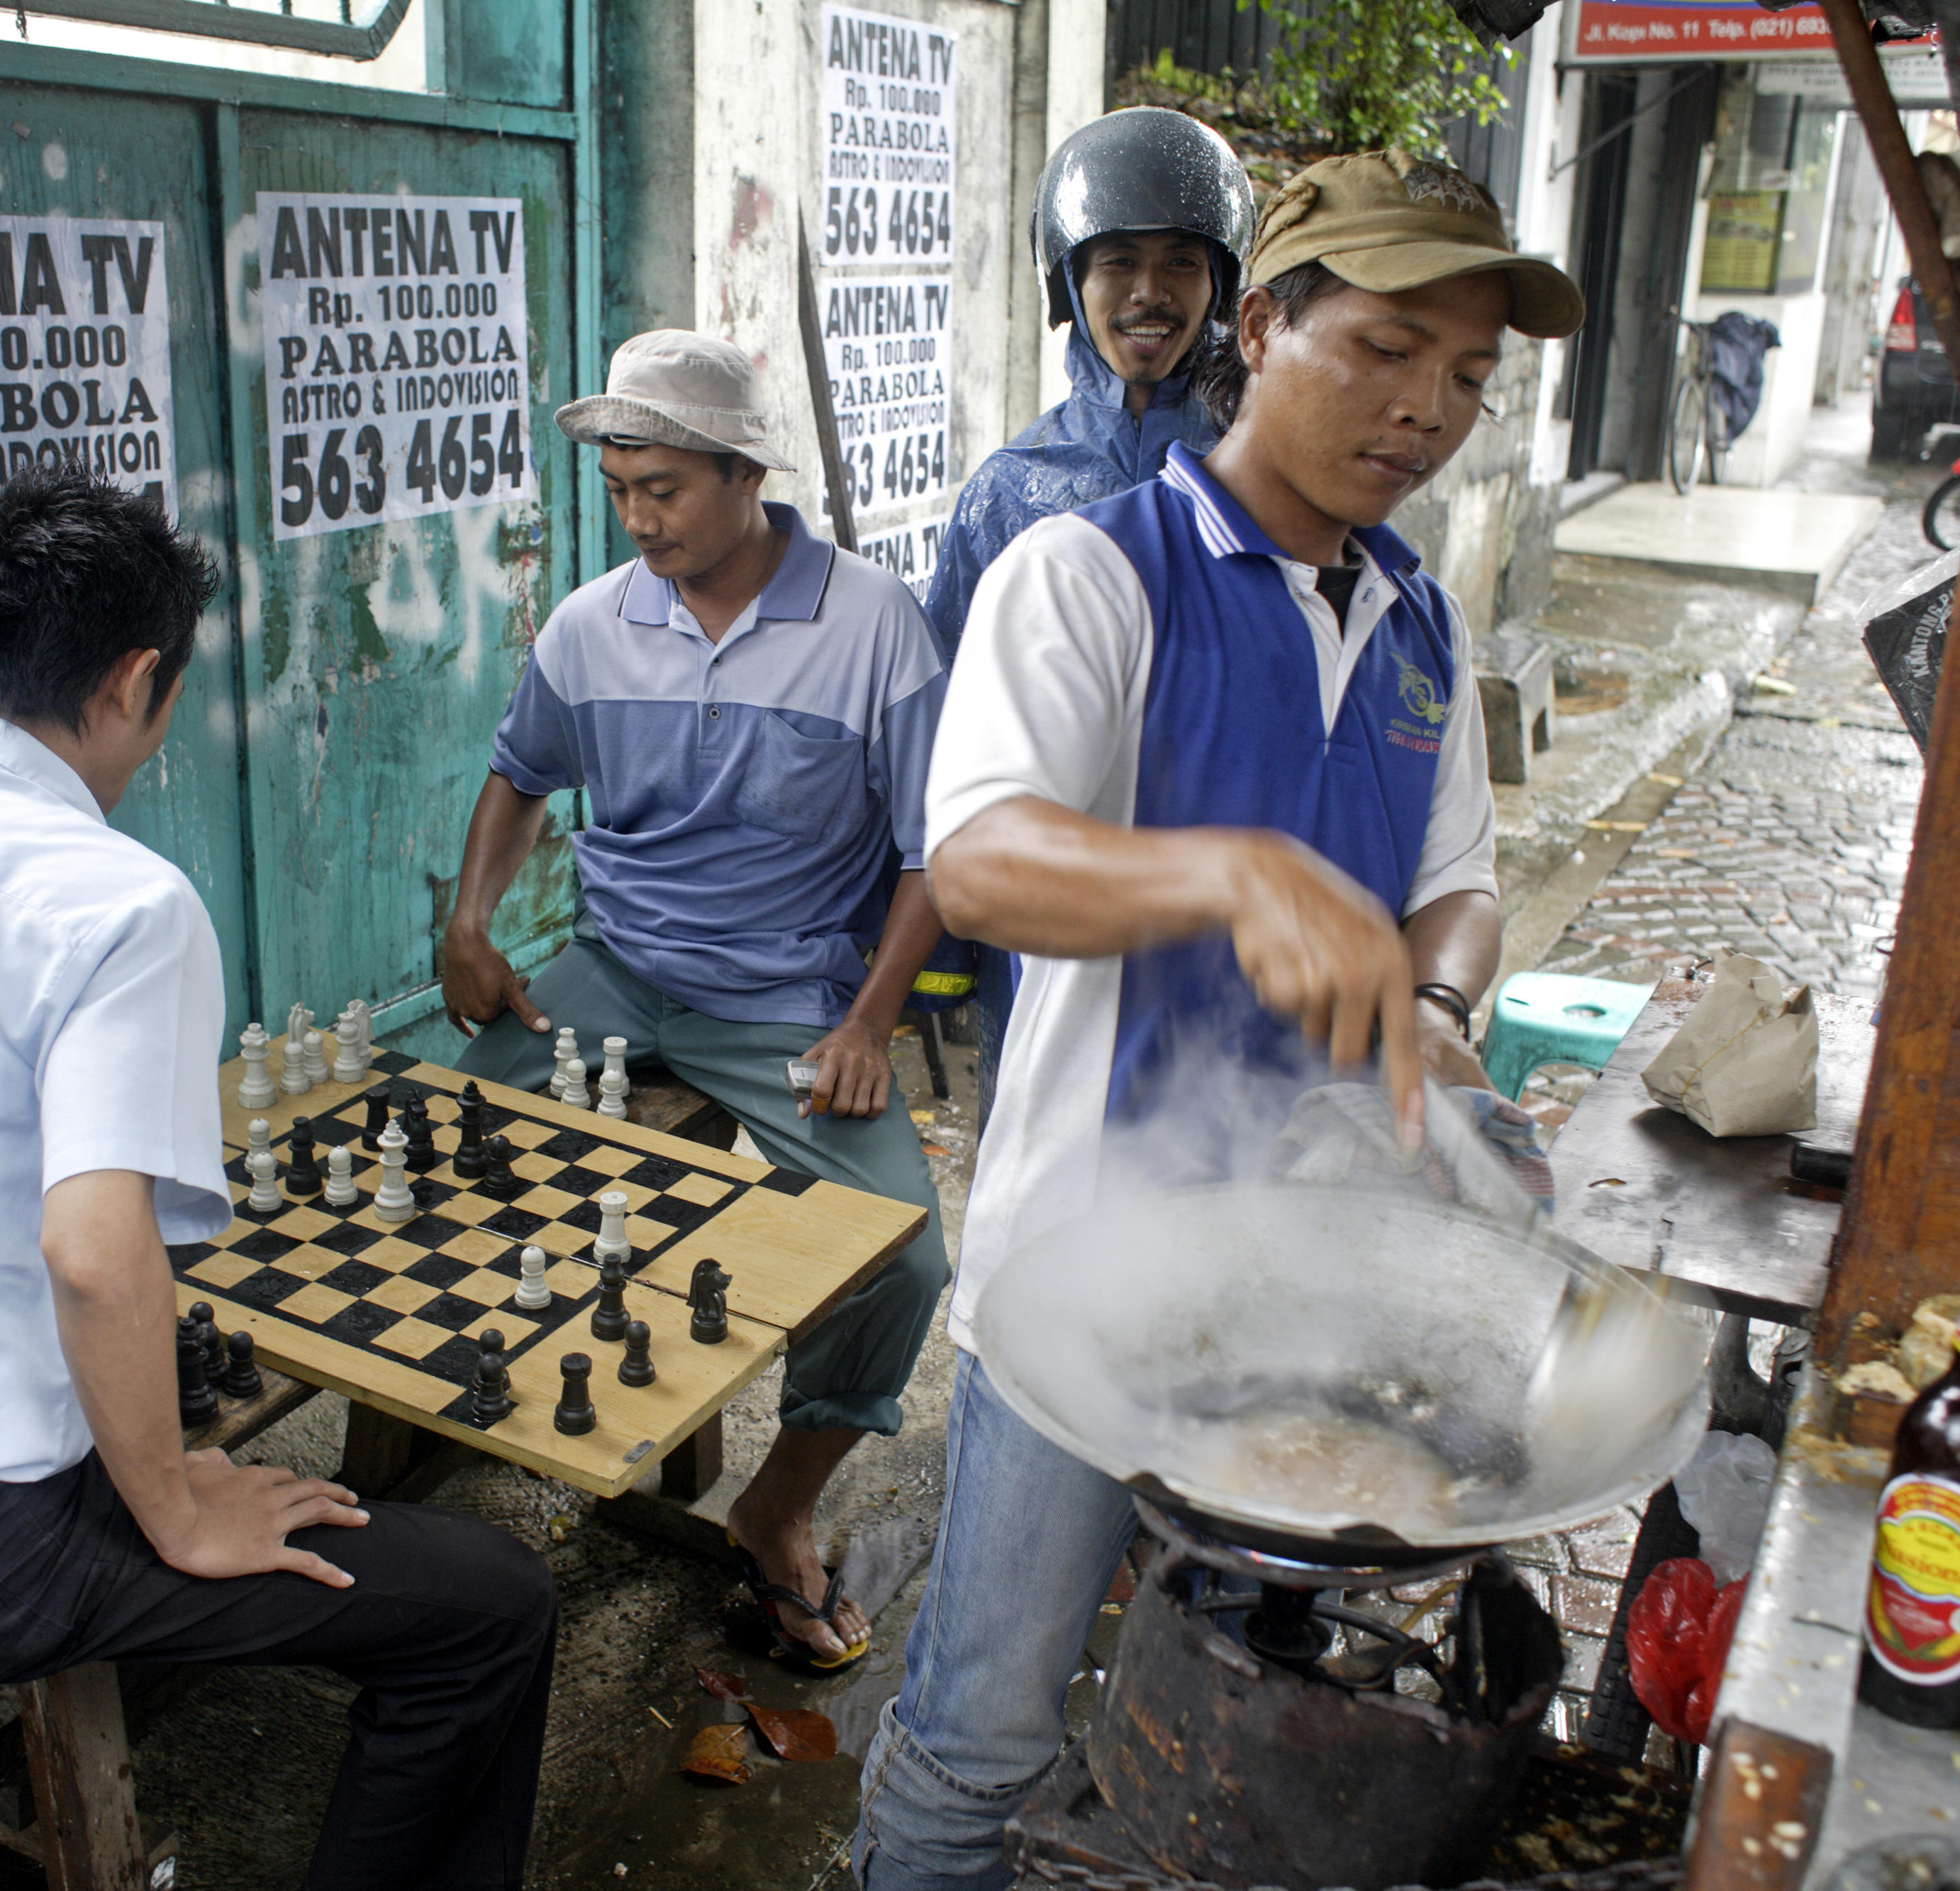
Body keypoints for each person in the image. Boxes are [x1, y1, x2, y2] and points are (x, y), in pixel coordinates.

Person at [850, 150, 1586, 1890]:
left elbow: (1456, 877)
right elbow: (983, 860)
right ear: (1261, 330)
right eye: (1386, 351)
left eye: (1468, 378)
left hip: (1321, 1293)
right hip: (1084, 1286)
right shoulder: (1089, 573)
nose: (1426, 412)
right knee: (982, 1725)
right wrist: (1228, 873)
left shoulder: (1414, 619)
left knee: (1244, 1717)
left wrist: (1433, 994)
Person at [0, 464, 555, 1891]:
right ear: (138, 678)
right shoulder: (116, 900)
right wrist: (178, 1510)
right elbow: (95, 1254)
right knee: (493, 1607)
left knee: (144, 1406)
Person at [442, 330, 950, 1672]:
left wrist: (869, 1024)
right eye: (618, 490)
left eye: (662, 487)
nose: (637, 516)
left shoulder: (874, 624)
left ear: (745, 474)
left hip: (791, 1001)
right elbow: (519, 772)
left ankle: (775, 1515)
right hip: (612, 975)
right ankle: (468, 1452)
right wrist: (469, 918)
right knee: (434, 1154)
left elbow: (932, 854)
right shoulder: (591, 623)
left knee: (904, 1258)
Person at [920, 107, 1256, 1103]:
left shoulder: (1272, 483)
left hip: (1221, 915)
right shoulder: (1009, 492)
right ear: (1070, 282)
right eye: (1116, 263)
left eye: (1181, 262)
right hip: (1046, 924)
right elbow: (948, 736)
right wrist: (941, 944)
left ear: (1226, 283)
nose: (1149, 294)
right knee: (1042, 1193)